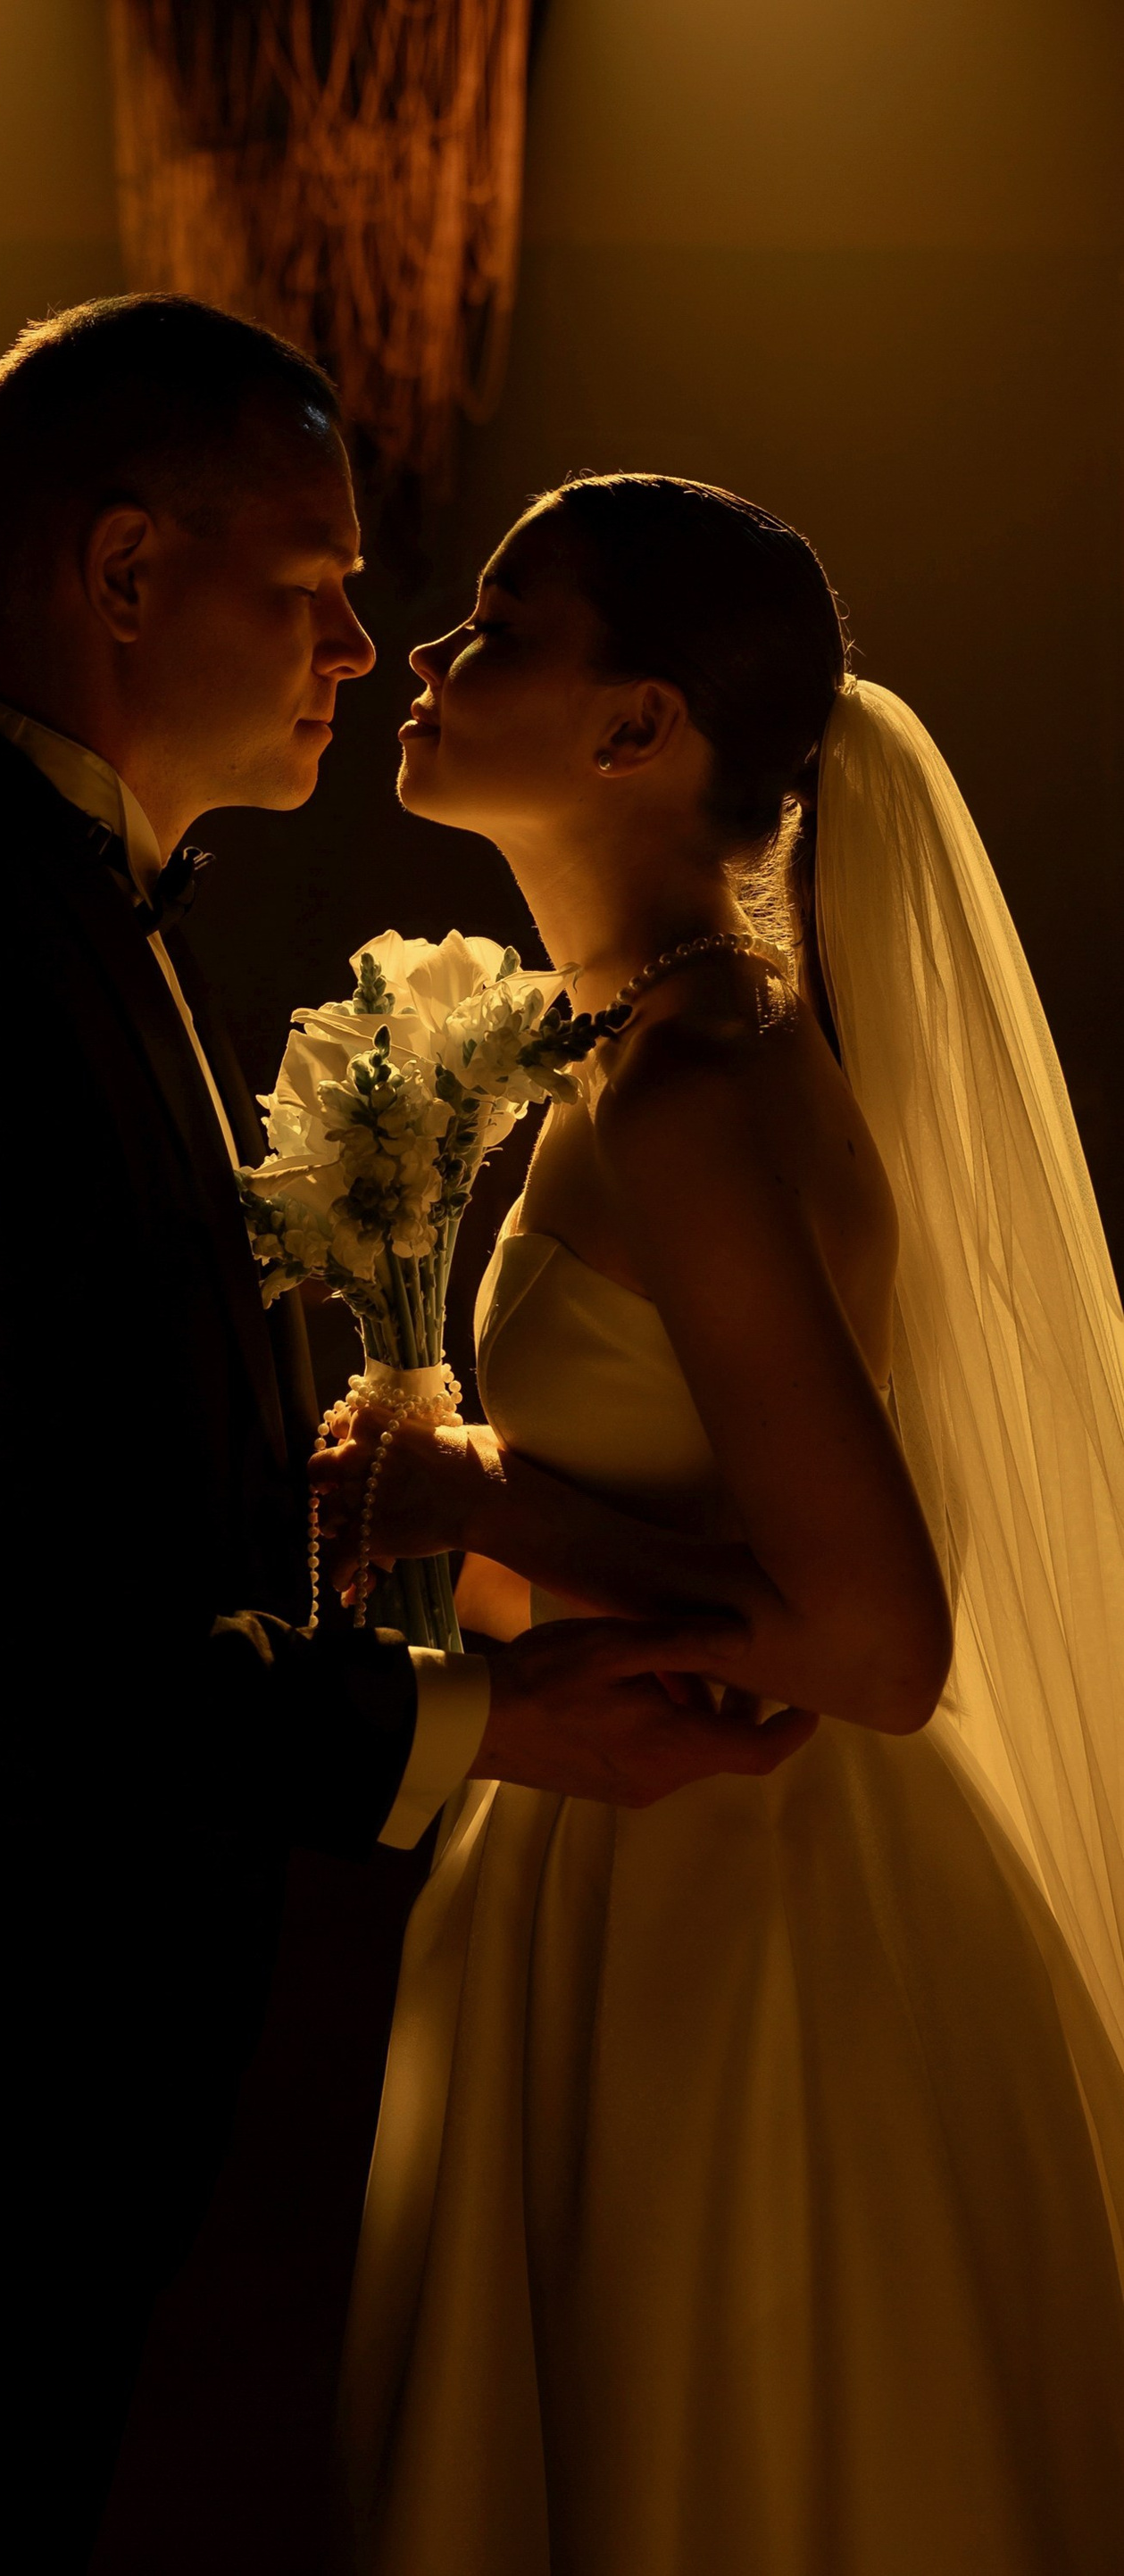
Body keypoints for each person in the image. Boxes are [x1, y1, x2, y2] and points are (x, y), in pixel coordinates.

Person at [0, 312, 812, 2568]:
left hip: (25, 2064)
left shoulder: (56, 908)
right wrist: (476, 1722)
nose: (359, 644)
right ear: (128, 573)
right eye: (314, 582)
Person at [314, 471, 1124, 2574]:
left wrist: (474, 1484)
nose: (427, 656)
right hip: (635, 1840)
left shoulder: (695, 1083)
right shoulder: (654, 1054)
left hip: (747, 1913)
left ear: (636, 726)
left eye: (499, 628)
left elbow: (877, 1646)